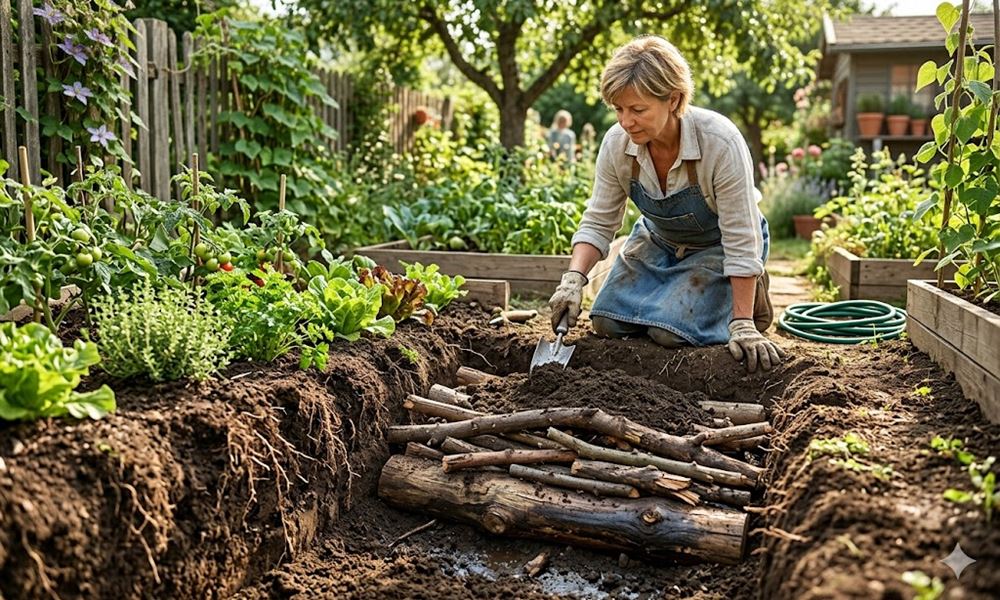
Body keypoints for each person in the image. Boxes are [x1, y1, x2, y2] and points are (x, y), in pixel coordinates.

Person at [547, 35, 784, 373]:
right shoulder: (617, 144)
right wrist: (573, 280)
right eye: (618, 109)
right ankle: (686, 298)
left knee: (668, 332)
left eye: (638, 110)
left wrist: (743, 323)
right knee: (607, 323)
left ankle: (745, 297)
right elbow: (599, 221)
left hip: (718, 244)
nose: (625, 121)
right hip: (659, 240)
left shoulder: (720, 142)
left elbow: (741, 236)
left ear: (673, 100)